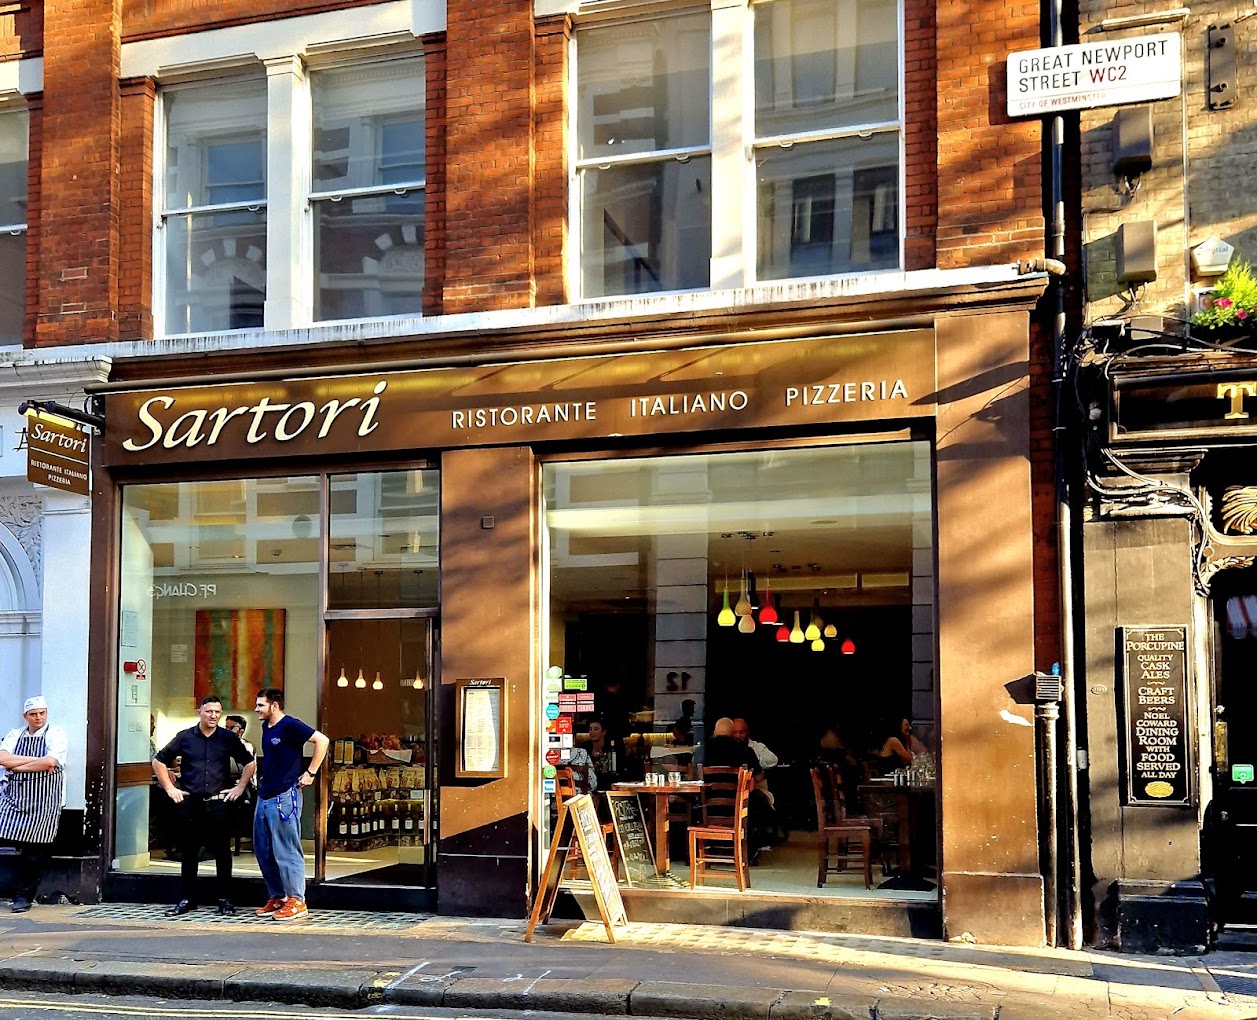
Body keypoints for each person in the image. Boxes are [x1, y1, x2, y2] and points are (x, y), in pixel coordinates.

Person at [152, 695, 256, 917]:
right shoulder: (185, 737)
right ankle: (187, 899)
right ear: (199, 712)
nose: (213, 716)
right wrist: (170, 789)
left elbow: (249, 763)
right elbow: (158, 761)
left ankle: (225, 899)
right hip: (191, 802)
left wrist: (240, 787)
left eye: (217, 712)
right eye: (209, 711)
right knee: (189, 852)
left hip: (219, 803)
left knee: (222, 852)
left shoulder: (227, 738)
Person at [253, 688, 329, 922]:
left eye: (261, 705)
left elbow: (322, 740)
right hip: (265, 794)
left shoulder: (290, 725)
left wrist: (311, 773)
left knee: (286, 848)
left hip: (285, 795)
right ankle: (278, 896)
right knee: (263, 848)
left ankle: (297, 900)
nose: (256, 709)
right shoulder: (267, 727)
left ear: (274, 706)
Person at [0, 697, 67, 912]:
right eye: (33, 714)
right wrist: (34, 762)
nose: (38, 717)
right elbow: (2, 758)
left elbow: (50, 762)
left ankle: (23, 896)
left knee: (35, 852)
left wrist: (16, 765)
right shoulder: (14, 734)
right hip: (13, 799)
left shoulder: (56, 734)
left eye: (42, 713)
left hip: (44, 803)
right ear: (25, 716)